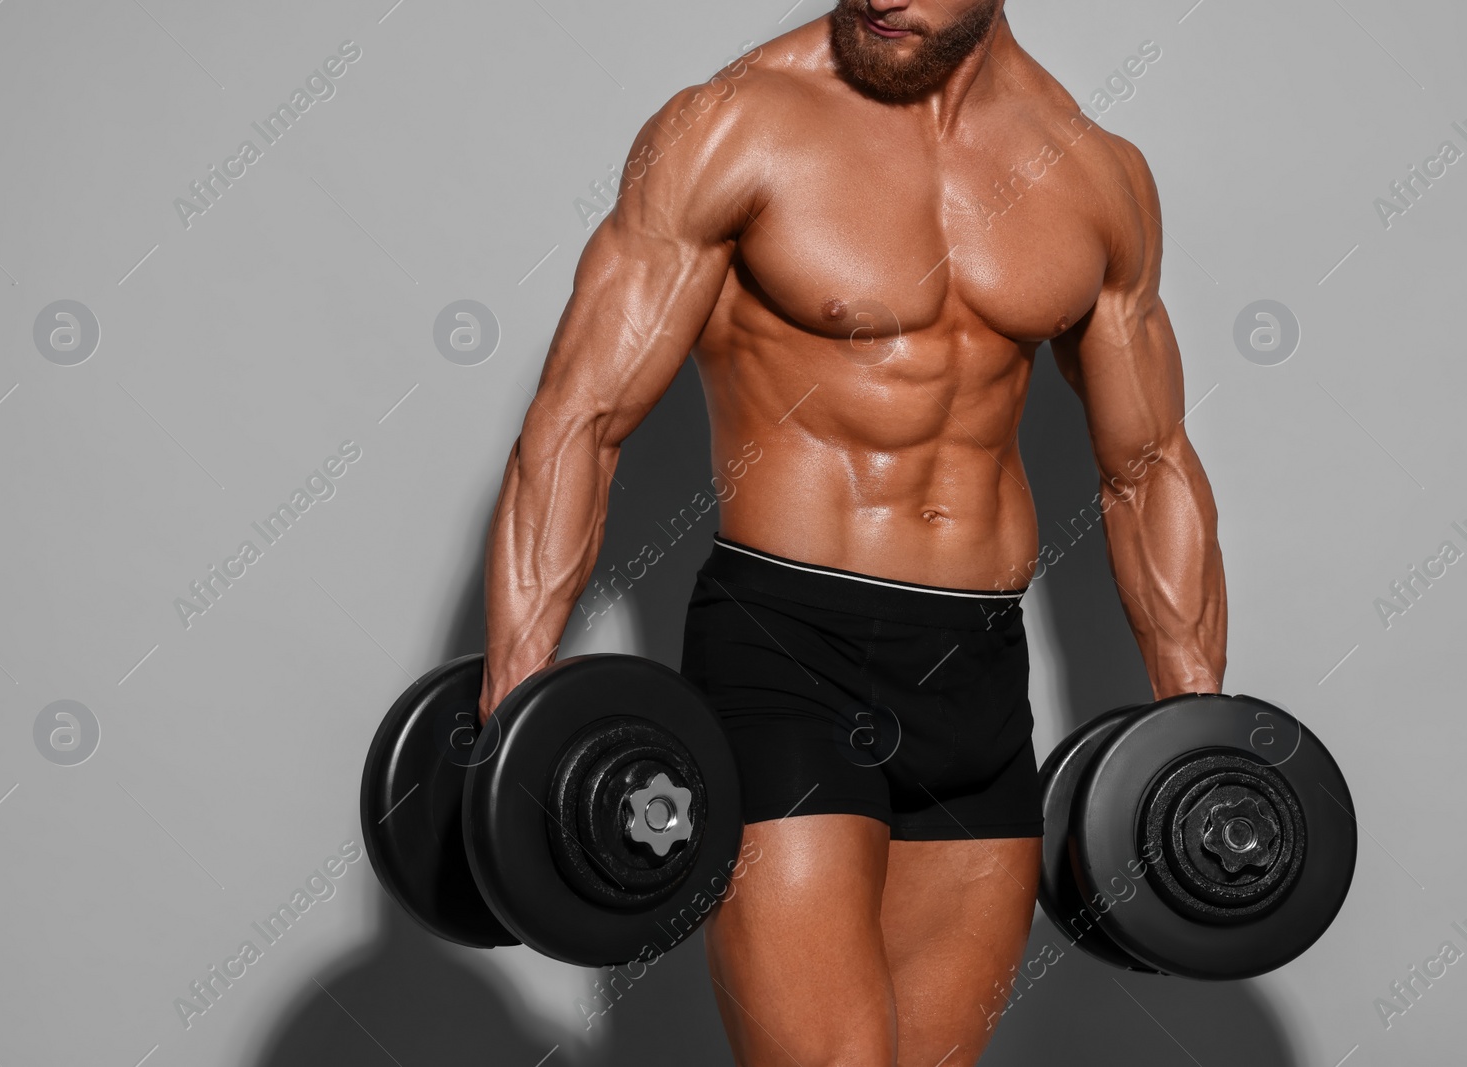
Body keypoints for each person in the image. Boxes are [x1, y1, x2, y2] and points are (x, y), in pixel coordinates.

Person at [476, 2, 1226, 1063]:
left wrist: (1197, 735)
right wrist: (511, 703)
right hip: (789, 659)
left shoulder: (1092, 170)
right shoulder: (734, 126)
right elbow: (578, 419)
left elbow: (1146, 465)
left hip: (977, 674)